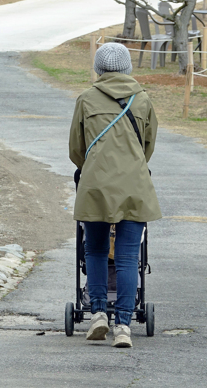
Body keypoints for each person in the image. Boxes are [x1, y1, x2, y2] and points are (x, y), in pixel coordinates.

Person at [68, 42, 160, 349]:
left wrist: (94, 168)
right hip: (134, 186)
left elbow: (76, 149)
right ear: (127, 67)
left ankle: (97, 314)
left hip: (95, 186)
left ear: (98, 68)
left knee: (94, 250)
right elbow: (147, 147)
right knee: (127, 257)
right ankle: (123, 325)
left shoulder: (85, 99)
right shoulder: (143, 100)